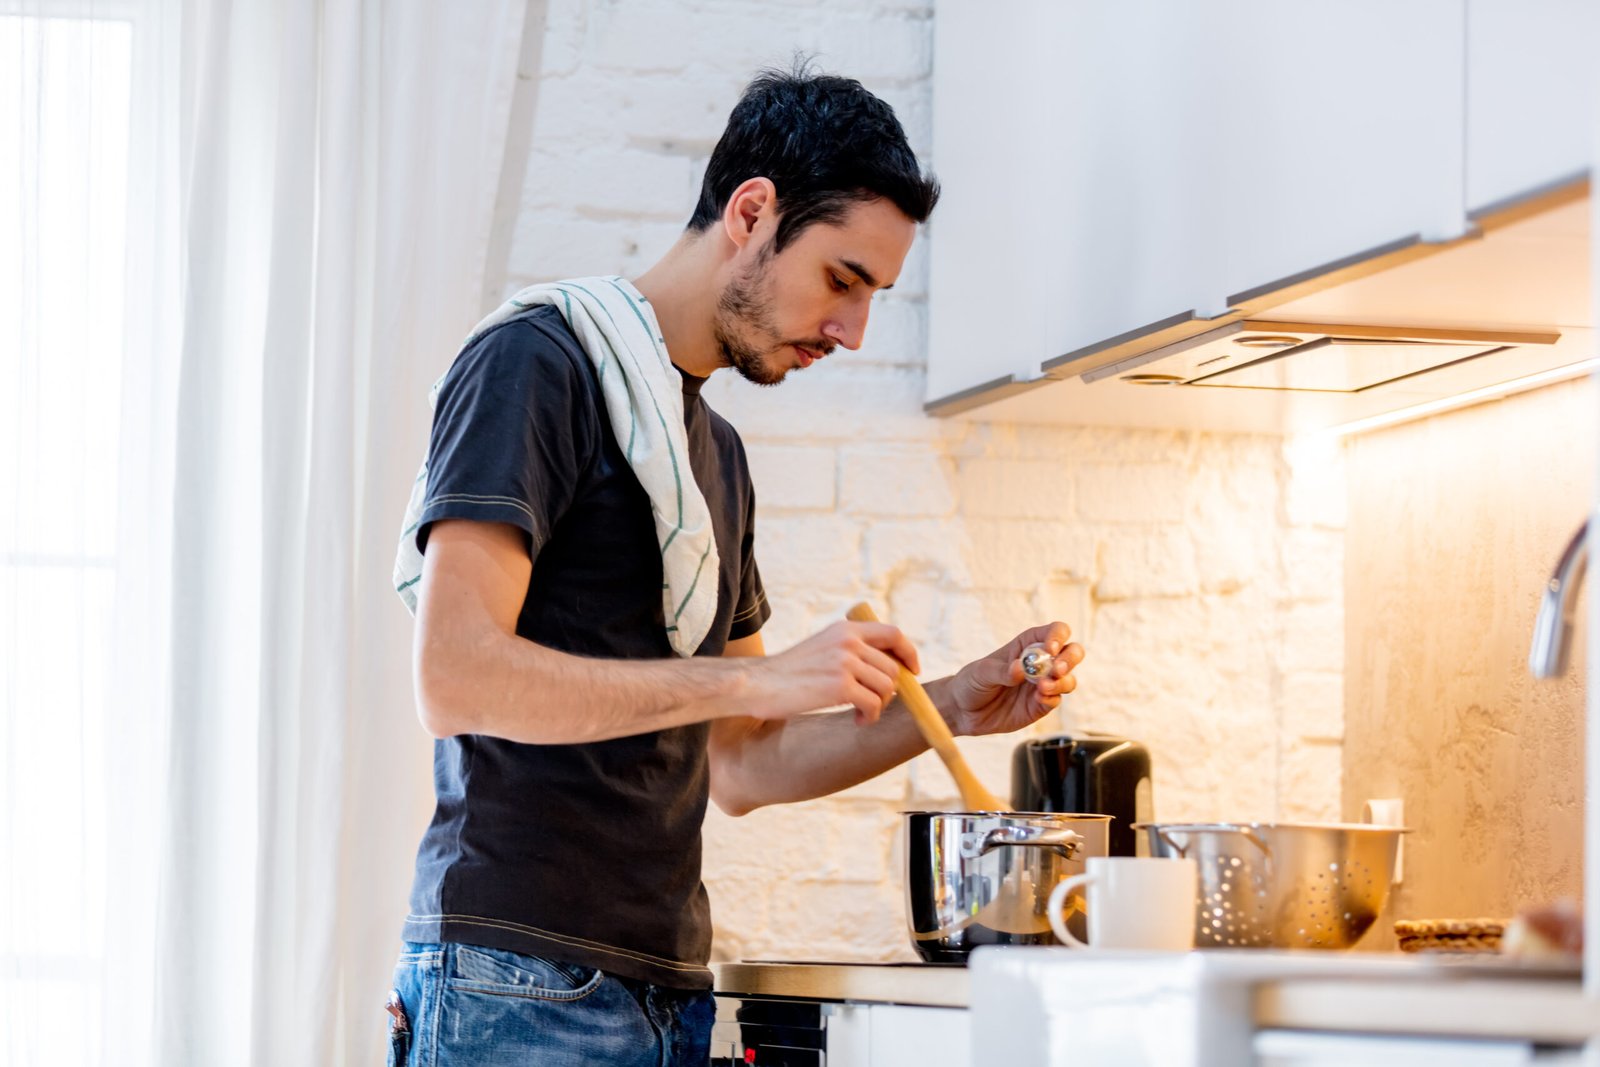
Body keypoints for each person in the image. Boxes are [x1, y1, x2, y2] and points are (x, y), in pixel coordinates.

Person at [384, 64, 1086, 1066]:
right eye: (842, 279)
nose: (852, 330)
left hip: (662, 988)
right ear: (752, 211)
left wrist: (957, 703)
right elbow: (453, 676)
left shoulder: (715, 456)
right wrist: (756, 674)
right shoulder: (539, 364)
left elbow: (744, 761)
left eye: (873, 295)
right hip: (517, 977)